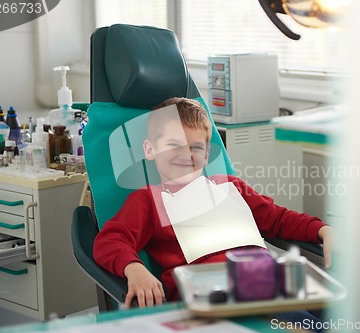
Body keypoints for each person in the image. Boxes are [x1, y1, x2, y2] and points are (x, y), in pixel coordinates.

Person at [93, 97, 334, 309]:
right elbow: (112, 239)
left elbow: (279, 219)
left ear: (207, 154)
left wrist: (322, 229)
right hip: (213, 299)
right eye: (173, 145)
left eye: (195, 147)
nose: (186, 155)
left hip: (268, 285)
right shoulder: (149, 200)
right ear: (150, 149)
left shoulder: (231, 187)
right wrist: (133, 268)